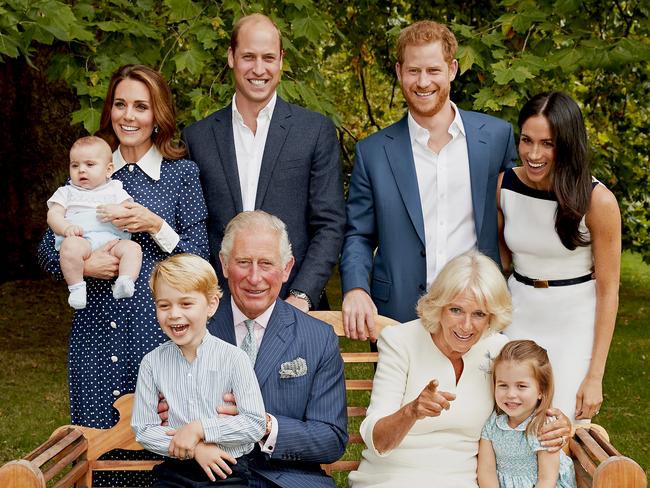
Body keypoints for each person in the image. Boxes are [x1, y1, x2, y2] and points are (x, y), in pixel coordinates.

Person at [38, 64, 209, 484]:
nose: (128, 116)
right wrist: (84, 265)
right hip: (95, 337)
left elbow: (200, 259)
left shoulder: (180, 175)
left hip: (159, 339)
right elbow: (46, 250)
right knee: (100, 454)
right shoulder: (89, 167)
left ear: (158, 115)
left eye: (141, 106)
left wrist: (155, 225)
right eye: (120, 104)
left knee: (165, 453)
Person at [340, 20, 518, 341]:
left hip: (479, 313)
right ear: (399, 71)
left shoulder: (495, 138)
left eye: (433, 70)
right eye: (413, 71)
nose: (423, 82)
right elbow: (359, 235)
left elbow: (516, 217)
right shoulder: (373, 152)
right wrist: (355, 288)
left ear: (452, 69)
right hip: (397, 315)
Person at [347, 252, 570, 488]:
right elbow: (377, 441)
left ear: (491, 316)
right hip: (392, 477)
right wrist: (411, 411)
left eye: (479, 314)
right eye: (456, 310)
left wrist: (558, 424)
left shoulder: (498, 350)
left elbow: (527, 410)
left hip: (463, 480)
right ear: (440, 306)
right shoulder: (400, 341)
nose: (466, 326)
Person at [182, 13, 345, 313]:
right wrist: (208, 295)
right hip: (218, 309)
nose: (259, 69)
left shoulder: (314, 131)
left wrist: (302, 295)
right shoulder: (197, 138)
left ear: (281, 60)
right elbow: (194, 227)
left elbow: (329, 224)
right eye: (248, 57)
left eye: (268, 57)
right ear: (231, 57)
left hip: (294, 305)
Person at [497, 92, 621, 422]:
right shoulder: (504, 187)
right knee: (510, 424)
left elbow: (609, 292)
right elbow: (501, 263)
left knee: (560, 428)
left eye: (547, 144)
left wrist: (595, 376)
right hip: (518, 316)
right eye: (526, 140)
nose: (533, 154)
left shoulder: (598, 202)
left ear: (566, 144)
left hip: (573, 324)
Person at [132, 254, 265, 487]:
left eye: (186, 304)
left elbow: (254, 423)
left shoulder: (234, 359)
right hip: (175, 468)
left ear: (211, 305)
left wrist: (200, 429)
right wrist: (195, 448)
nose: (173, 314)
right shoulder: (152, 363)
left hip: (227, 469)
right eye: (164, 305)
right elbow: (144, 429)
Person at [47, 136, 142, 309]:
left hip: (112, 241)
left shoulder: (115, 189)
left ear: (108, 170)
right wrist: (66, 227)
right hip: (81, 240)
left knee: (133, 249)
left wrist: (119, 211)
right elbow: (53, 215)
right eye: (75, 165)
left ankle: (125, 280)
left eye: (89, 165)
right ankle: (76, 287)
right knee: (69, 248)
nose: (81, 170)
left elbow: (130, 210)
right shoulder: (66, 192)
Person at [478, 340, 577, 488]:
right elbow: (486, 471)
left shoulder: (543, 428)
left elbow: (547, 480)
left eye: (521, 386)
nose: (511, 394)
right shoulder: (493, 425)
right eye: (503, 385)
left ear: (541, 391)